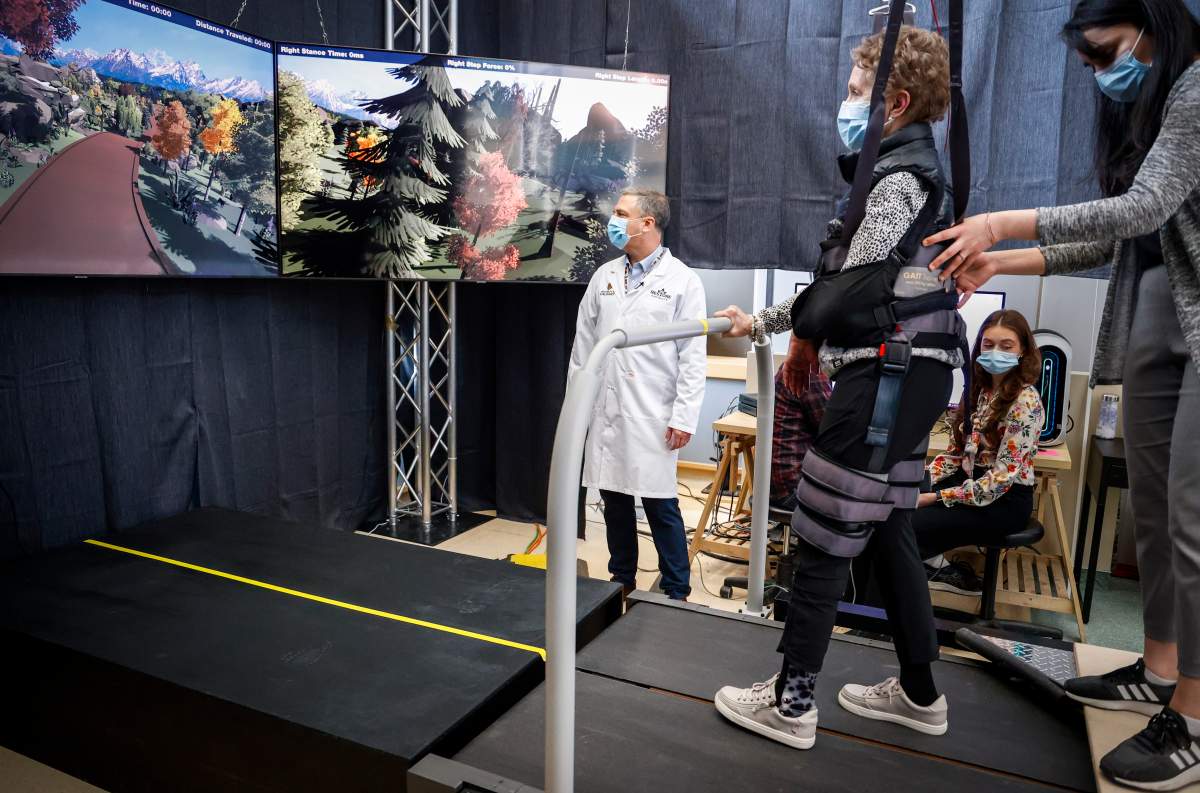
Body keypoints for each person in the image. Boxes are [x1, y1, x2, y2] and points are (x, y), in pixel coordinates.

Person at [923, 0, 1200, 787]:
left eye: (1108, 52)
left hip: (1195, 317)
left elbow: (1141, 208)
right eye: (1089, 64)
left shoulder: (1196, 92)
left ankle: (1194, 713)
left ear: (1155, 26)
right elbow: (1115, 234)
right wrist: (995, 264)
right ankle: (1157, 667)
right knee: (1153, 508)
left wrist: (999, 224)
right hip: (1153, 305)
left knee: (1190, 519)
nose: (1102, 74)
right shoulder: (1148, 116)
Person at [712, 25, 962, 749]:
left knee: (821, 532)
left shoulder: (900, 179)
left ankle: (790, 702)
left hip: (886, 373)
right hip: (919, 372)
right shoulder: (916, 171)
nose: (844, 104)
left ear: (897, 101)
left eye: (856, 92)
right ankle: (919, 694)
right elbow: (851, 283)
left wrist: (779, 322)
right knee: (889, 529)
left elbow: (850, 283)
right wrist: (765, 319)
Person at [568, 188, 706, 602]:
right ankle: (621, 578)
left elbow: (692, 356)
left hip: (653, 411)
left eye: (620, 213)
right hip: (607, 408)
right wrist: (576, 408)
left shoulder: (683, 281)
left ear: (647, 223)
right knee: (613, 499)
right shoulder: (605, 276)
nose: (613, 220)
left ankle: (677, 587)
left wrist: (684, 416)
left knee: (660, 503)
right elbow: (583, 347)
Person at [914, 310, 1045, 597]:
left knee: (911, 525)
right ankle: (930, 566)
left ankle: (932, 571)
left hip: (1003, 501)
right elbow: (955, 453)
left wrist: (935, 496)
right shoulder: (976, 390)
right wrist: (920, 480)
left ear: (1023, 351)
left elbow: (1000, 480)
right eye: (988, 344)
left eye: (1006, 345)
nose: (995, 352)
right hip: (970, 482)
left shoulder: (1025, 402)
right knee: (895, 509)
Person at [769, 337, 832, 511]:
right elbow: (830, 430)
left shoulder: (792, 369)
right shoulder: (810, 373)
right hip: (792, 489)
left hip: (777, 485)